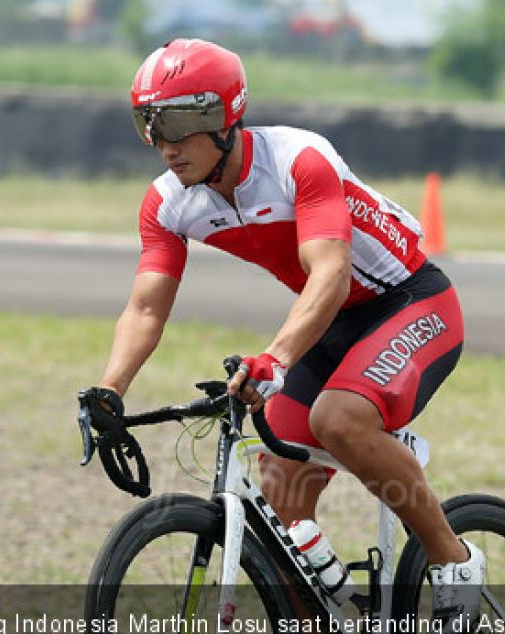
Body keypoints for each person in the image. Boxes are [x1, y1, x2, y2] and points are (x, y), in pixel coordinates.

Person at [91, 38, 484, 628]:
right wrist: (110, 390)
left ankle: (454, 560)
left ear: (222, 116)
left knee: (337, 420)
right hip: (328, 326)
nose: (164, 145)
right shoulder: (168, 203)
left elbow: (328, 271)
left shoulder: (298, 159)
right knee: (278, 512)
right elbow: (146, 308)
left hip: (407, 302)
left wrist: (275, 358)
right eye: (148, 126)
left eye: (174, 124)